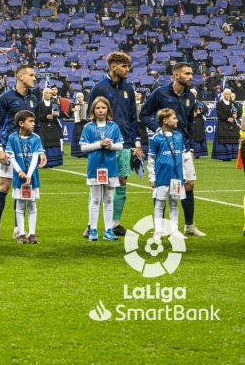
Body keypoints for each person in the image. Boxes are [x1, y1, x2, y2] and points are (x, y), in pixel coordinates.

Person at [139, 63, 204, 237]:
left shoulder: (190, 95)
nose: (191, 76)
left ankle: (189, 226)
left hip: (183, 146)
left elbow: (190, 124)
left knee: (188, 184)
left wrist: (190, 147)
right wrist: (158, 129)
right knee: (162, 184)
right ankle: (159, 227)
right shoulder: (160, 93)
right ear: (176, 75)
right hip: (165, 146)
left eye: (191, 73)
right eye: (187, 73)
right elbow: (143, 115)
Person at [86, 51, 142, 238]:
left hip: (124, 142)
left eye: (128, 66)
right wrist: (95, 141)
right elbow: (90, 116)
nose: (127, 70)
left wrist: (137, 142)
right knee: (99, 182)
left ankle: (115, 223)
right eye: (124, 66)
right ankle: (91, 224)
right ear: (113, 66)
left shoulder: (129, 89)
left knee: (122, 181)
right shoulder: (99, 88)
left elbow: (133, 117)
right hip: (102, 143)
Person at [0, 65, 40, 242]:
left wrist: (40, 151)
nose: (34, 78)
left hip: (27, 151)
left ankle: (18, 228)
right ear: (20, 76)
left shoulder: (34, 98)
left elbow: (37, 125)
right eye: (31, 75)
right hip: (9, 148)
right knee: (4, 186)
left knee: (23, 186)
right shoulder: (6, 98)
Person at [80, 97, 124, 242]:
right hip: (94, 167)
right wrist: (99, 143)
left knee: (109, 199)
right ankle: (93, 230)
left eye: (103, 108)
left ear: (108, 110)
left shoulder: (114, 126)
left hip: (110, 167)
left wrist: (111, 146)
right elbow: (83, 147)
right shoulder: (88, 127)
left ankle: (108, 230)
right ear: (93, 110)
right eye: (98, 108)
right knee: (95, 199)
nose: (100, 110)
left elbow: (121, 146)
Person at [148, 109, 186, 241]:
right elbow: (151, 159)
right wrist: (152, 177)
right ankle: (157, 231)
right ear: (165, 120)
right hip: (162, 176)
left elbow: (182, 157)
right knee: (159, 204)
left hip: (176, 176)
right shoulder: (156, 138)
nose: (177, 120)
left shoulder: (179, 136)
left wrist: (184, 175)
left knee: (174, 203)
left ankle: (174, 230)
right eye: (174, 118)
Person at [6, 110, 44, 244]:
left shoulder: (36, 138)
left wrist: (28, 174)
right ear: (21, 123)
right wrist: (19, 172)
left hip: (31, 178)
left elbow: (35, 157)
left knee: (32, 205)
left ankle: (32, 233)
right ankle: (21, 234)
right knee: (20, 205)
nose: (34, 124)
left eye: (34, 121)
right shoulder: (12, 138)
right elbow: (11, 157)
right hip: (19, 177)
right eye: (31, 121)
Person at [37, 88, 63, 168]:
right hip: (44, 127)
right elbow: (38, 115)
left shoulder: (54, 104)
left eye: (49, 93)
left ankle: (54, 162)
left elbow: (61, 114)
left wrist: (57, 114)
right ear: (43, 95)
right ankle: (44, 162)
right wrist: (46, 116)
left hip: (53, 126)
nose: (48, 95)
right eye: (46, 93)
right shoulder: (40, 104)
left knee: (54, 143)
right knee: (45, 143)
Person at [213, 88, 240, 161]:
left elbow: (239, 111)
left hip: (232, 124)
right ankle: (224, 156)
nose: (227, 96)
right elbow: (219, 114)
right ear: (223, 95)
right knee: (224, 140)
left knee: (234, 139)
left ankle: (232, 155)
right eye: (226, 94)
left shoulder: (233, 103)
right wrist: (228, 118)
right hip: (223, 124)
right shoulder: (219, 103)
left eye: (229, 94)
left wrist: (236, 116)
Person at [70, 92, 87, 158]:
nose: (80, 98)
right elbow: (69, 114)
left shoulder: (87, 104)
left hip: (85, 124)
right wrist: (72, 110)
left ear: (83, 97)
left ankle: (85, 153)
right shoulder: (74, 105)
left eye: (81, 97)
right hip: (77, 124)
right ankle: (77, 153)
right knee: (77, 138)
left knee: (85, 138)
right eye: (78, 97)